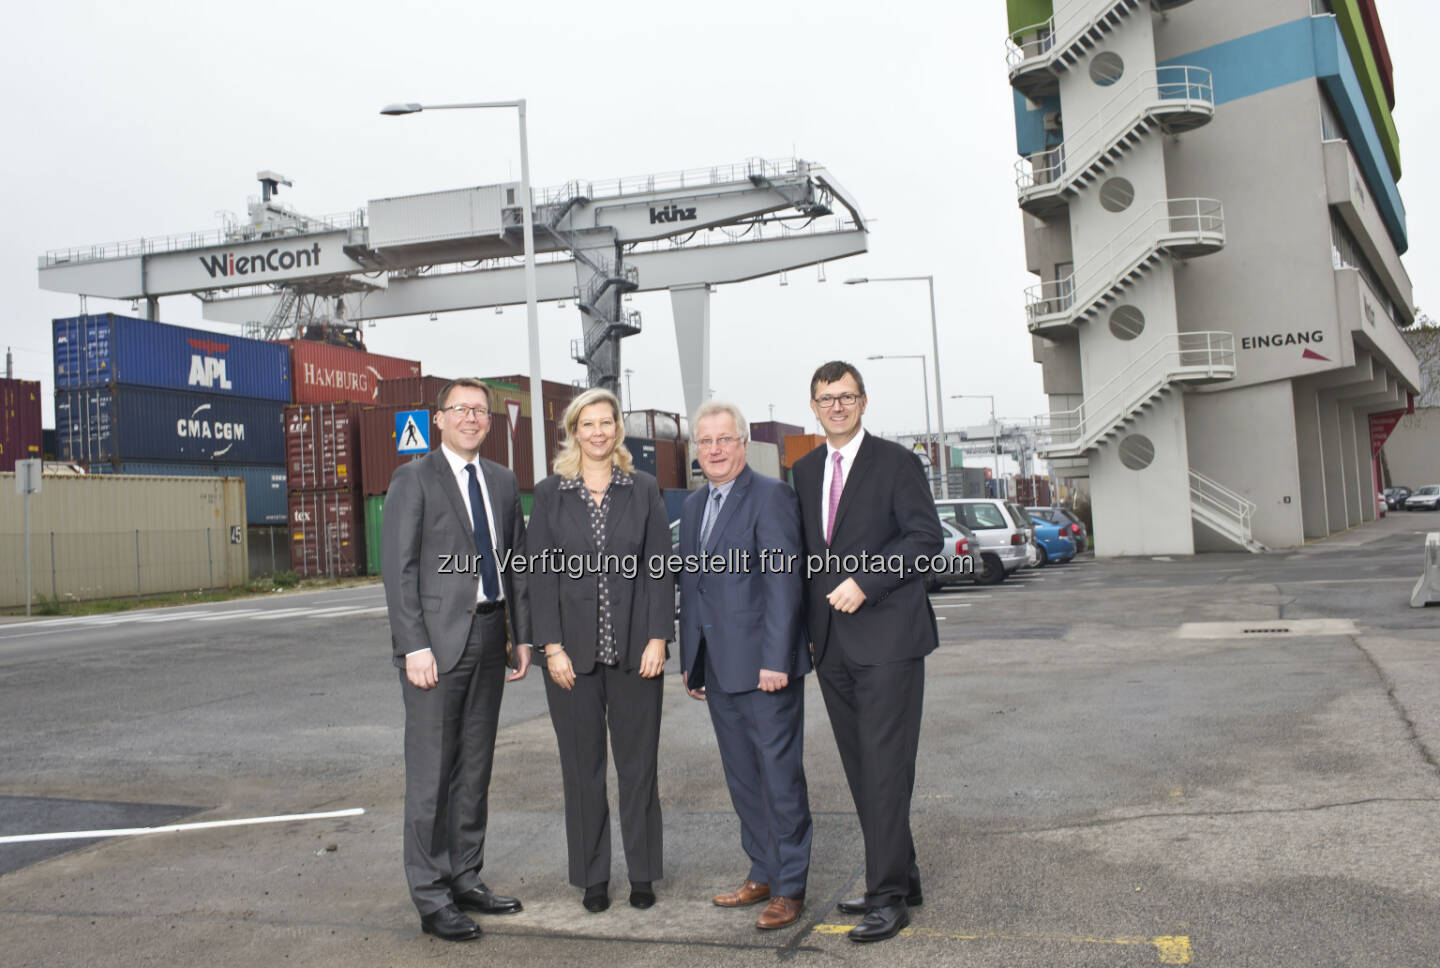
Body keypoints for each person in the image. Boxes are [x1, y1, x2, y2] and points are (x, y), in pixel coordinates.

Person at [791, 361, 943, 943]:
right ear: (813, 405)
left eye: (846, 396)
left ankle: (887, 897)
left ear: (863, 401)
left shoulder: (897, 463)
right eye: (826, 398)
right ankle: (901, 874)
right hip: (830, 646)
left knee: (885, 767)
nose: (836, 406)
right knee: (861, 769)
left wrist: (868, 579)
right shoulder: (803, 471)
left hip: (888, 639)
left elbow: (925, 538)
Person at [381, 377, 533, 943]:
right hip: (435, 649)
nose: (471, 418)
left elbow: (514, 564)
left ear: (489, 422)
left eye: (480, 411)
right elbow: (399, 571)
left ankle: (465, 876)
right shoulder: (412, 479)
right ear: (438, 418)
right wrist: (412, 645)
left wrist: (523, 638)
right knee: (430, 777)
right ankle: (430, 895)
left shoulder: (501, 480)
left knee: (474, 769)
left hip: (491, 636)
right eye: (460, 409)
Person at [526, 388, 674, 913]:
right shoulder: (550, 495)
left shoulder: (644, 489)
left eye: (606, 422)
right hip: (571, 661)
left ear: (617, 429)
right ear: (574, 431)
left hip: (638, 655)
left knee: (639, 769)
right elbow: (539, 579)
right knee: (582, 771)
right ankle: (592, 878)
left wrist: (659, 637)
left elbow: (660, 570)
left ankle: (642, 874)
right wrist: (552, 647)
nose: (597, 432)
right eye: (587, 424)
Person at [678, 401, 813, 931]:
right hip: (717, 668)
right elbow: (693, 587)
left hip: (764, 669)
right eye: (704, 441)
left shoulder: (771, 496)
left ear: (742, 443)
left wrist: (777, 659)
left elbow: (784, 584)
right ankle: (762, 868)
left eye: (723, 439)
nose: (714, 450)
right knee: (742, 778)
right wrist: (693, 663)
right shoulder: (693, 508)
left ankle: (791, 885)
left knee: (779, 777)